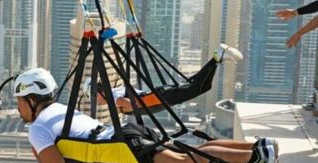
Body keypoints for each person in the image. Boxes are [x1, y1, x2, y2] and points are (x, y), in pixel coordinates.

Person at [15, 68, 279, 163]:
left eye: (19, 102)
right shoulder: (61, 109)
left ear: (30, 99)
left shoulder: (38, 128)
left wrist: (36, 151)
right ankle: (256, 149)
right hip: (128, 136)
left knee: (190, 162)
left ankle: (254, 158)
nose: (18, 109)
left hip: (124, 150)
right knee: (192, 153)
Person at [84, 44, 243, 113]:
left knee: (196, 87)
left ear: (99, 92)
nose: (96, 102)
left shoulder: (114, 97)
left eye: (93, 97)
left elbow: (130, 105)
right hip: (160, 97)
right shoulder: (113, 93)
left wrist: (121, 108)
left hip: (160, 98)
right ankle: (217, 59)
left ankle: (217, 57)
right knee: (199, 86)